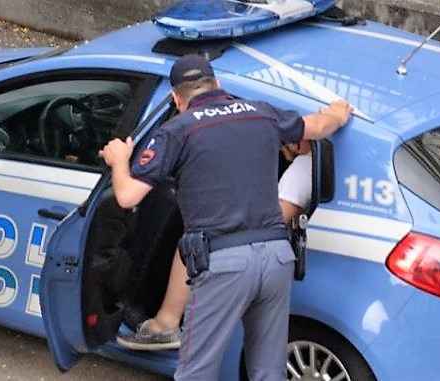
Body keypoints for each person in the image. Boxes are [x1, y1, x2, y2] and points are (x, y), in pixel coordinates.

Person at [99, 54, 352, 380]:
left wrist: (119, 159)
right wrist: (337, 111)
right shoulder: (261, 112)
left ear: (177, 99)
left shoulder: (177, 130)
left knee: (196, 371)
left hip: (223, 265)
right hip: (277, 258)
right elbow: (318, 127)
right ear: (218, 84)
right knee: (268, 372)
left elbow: (127, 196)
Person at [116, 139, 314, 351]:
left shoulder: (302, 169)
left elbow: (269, 220)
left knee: (193, 240)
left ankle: (166, 324)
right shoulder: (311, 162)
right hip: (265, 253)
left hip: (254, 253)